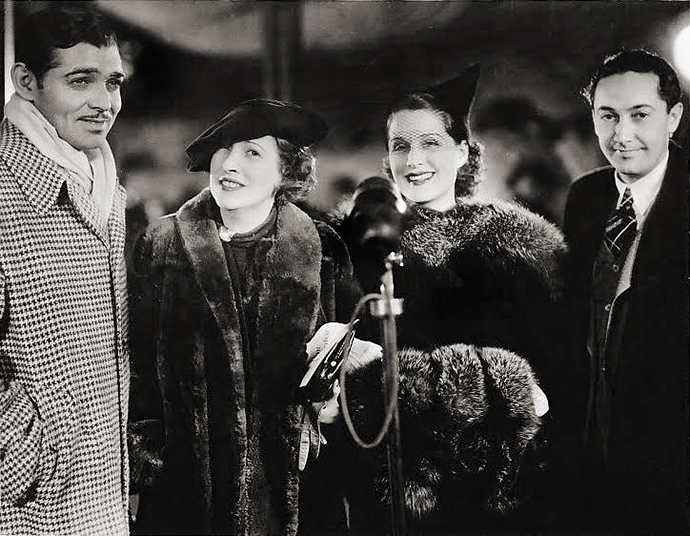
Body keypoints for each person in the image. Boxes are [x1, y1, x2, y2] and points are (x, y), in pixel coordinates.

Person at [127, 98, 379, 535]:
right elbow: (136, 367)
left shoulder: (321, 248)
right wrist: (148, 463)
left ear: (287, 172)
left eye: (252, 152)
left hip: (296, 488)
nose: (229, 164)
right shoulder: (161, 244)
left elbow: (352, 357)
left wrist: (332, 401)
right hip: (187, 490)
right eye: (223, 150)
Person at [337, 64, 568, 534]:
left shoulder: (516, 248)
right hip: (392, 486)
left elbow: (550, 375)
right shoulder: (357, 250)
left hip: (493, 488)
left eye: (431, 143)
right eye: (400, 145)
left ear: (462, 152)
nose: (413, 159)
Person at [0, 3, 129, 534]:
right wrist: (23, 454)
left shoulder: (103, 183)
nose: (104, 102)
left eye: (113, 82)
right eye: (81, 80)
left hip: (104, 496)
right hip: (30, 508)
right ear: (26, 82)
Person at [562, 49, 688, 534]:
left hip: (671, 457)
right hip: (595, 445)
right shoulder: (585, 198)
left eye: (640, 115)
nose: (622, 135)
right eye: (607, 116)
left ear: (673, 118)